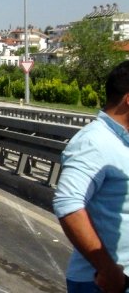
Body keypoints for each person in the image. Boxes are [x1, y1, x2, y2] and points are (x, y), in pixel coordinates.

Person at [54, 60, 129, 292]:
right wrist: (108, 271)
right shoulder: (94, 141)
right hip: (102, 283)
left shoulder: (121, 142)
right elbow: (68, 203)